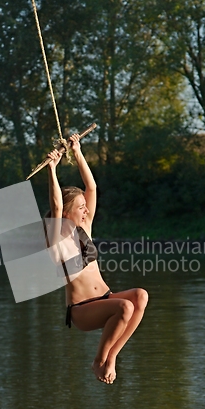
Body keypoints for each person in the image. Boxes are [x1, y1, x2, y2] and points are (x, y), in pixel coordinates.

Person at [46, 134, 148, 384]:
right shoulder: (56, 240)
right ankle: (99, 361)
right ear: (68, 213)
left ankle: (112, 356)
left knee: (140, 296)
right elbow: (56, 205)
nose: (87, 210)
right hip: (81, 310)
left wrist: (77, 151)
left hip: (104, 298)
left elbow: (91, 187)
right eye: (81, 207)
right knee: (124, 307)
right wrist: (52, 169)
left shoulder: (85, 229)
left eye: (85, 207)